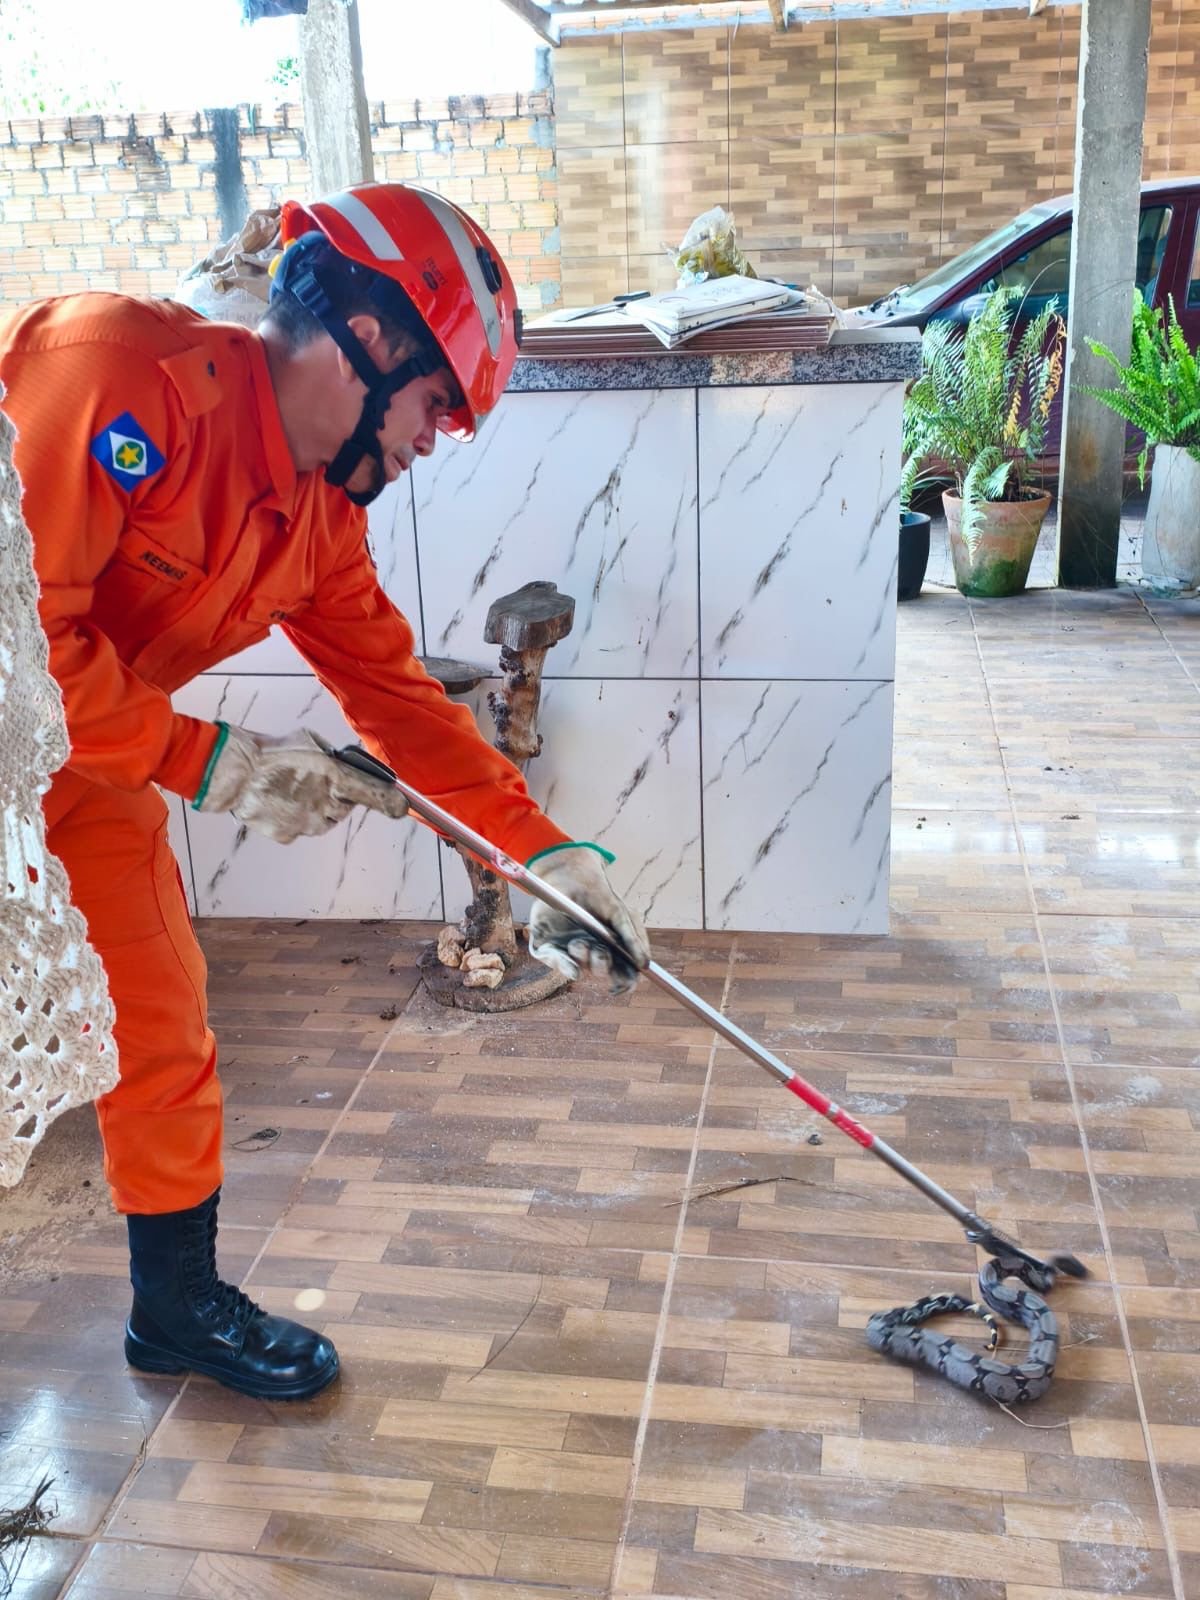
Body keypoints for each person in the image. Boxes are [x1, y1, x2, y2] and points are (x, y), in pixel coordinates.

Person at [0, 183, 650, 1402]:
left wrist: (549, 855)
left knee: (160, 1026)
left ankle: (174, 1306)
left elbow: (402, 706)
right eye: (436, 404)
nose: (435, 439)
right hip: (34, 727)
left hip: (84, 768)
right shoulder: (113, 374)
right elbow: (14, 647)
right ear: (370, 337)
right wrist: (212, 761)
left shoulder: (318, 521)